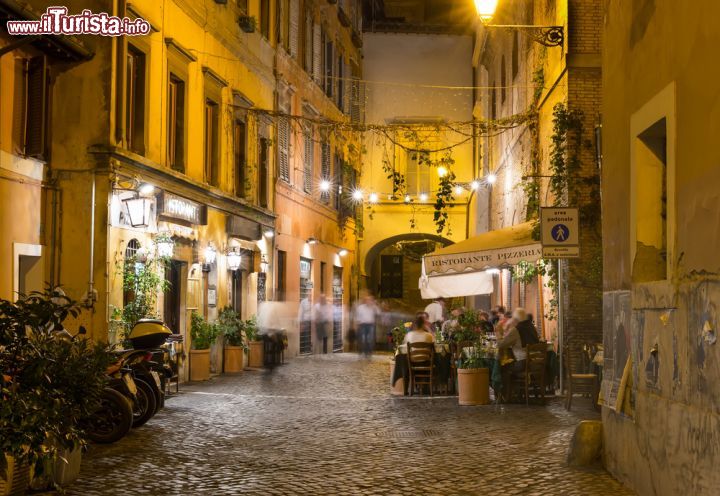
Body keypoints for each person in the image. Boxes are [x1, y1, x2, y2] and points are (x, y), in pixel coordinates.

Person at [498, 308, 540, 398]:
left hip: (523, 363)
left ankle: (506, 395)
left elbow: (501, 345)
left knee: (502, 367)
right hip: (535, 362)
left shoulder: (516, 330)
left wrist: (498, 333)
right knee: (508, 365)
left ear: (516, 319)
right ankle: (517, 392)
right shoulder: (532, 327)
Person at [353, 293, 379, 358]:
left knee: (370, 340)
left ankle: (368, 353)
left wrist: (374, 305)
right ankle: (361, 352)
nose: (369, 301)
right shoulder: (360, 308)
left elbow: (379, 313)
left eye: (370, 300)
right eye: (367, 300)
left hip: (370, 325)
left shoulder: (373, 307)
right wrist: (356, 325)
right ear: (365, 301)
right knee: (362, 339)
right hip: (362, 325)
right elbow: (357, 317)